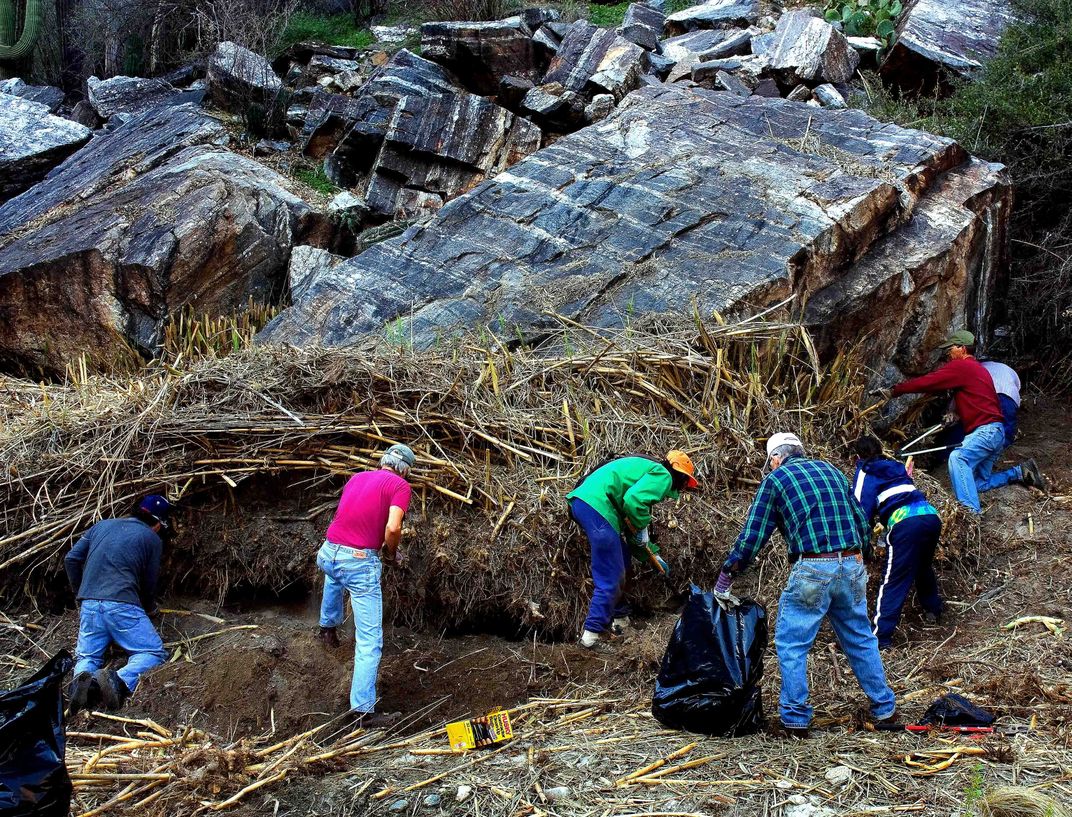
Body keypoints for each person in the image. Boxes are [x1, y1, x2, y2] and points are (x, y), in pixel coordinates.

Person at [714, 433, 897, 738]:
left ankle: (795, 719)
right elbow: (859, 517)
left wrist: (727, 575)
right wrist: (862, 555)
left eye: (770, 462)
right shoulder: (831, 471)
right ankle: (885, 709)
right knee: (860, 638)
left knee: (792, 643)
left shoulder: (776, 480)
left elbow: (753, 535)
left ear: (776, 458)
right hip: (852, 562)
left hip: (814, 566)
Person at [883, 330, 1045, 514]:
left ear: (962, 348)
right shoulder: (979, 370)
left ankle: (971, 515)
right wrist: (957, 414)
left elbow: (929, 381)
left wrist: (895, 390)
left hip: (986, 432)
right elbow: (979, 400)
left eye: (950, 349)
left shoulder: (962, 366)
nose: (948, 354)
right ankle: (1019, 472)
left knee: (958, 458)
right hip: (996, 433)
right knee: (978, 483)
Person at [317, 443, 415, 727]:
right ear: (405, 470)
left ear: (383, 461)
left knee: (335, 574)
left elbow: (350, 516)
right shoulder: (399, 485)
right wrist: (391, 552)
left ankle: (327, 629)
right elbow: (393, 527)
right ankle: (363, 712)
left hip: (328, 552)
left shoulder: (357, 478)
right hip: (358, 562)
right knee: (370, 640)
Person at [566, 451, 700, 651]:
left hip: (586, 503)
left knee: (623, 560)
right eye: (684, 483)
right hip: (597, 506)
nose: (682, 489)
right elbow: (634, 501)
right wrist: (642, 526)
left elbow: (632, 528)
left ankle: (620, 620)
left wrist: (652, 554)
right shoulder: (663, 475)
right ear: (680, 476)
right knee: (612, 575)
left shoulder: (647, 470)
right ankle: (590, 637)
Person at [65, 495, 171, 716]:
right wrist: (150, 608)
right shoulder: (152, 539)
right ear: (158, 524)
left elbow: (71, 559)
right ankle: (118, 680)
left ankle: (82, 685)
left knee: (88, 656)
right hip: (123, 604)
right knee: (153, 652)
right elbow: (149, 583)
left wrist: (80, 594)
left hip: (89, 604)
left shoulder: (101, 526)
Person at [851, 435, 942, 649]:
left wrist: (861, 542)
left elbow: (860, 510)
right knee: (922, 565)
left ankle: (880, 637)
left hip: (905, 522)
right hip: (930, 516)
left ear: (857, 457)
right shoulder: (896, 466)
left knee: (893, 579)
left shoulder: (865, 471)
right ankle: (933, 609)